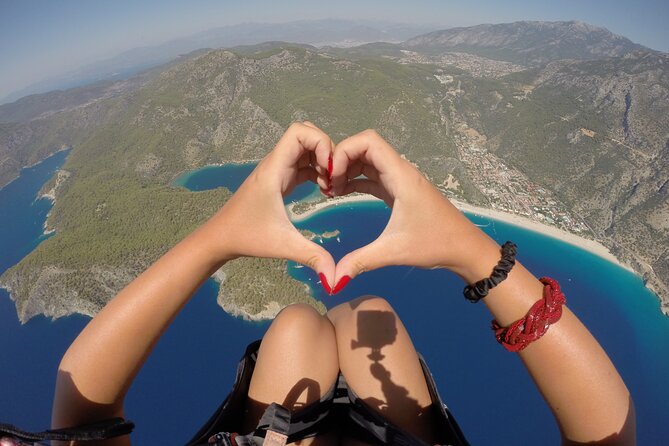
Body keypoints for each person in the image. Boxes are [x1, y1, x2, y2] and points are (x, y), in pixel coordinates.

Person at [40, 123, 634, 445]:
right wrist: (472, 251)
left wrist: (216, 239)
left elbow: (79, 416)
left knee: (300, 324)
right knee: (362, 312)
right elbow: (608, 431)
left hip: (279, 420)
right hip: (392, 425)